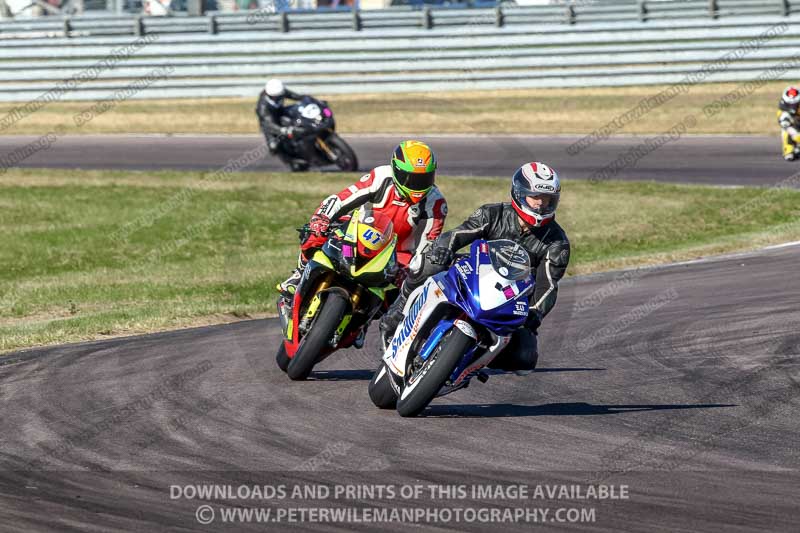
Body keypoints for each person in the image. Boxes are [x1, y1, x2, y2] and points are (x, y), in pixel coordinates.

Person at [379, 161, 570, 374]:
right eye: (536, 198)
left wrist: (535, 313)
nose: (541, 205)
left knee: (524, 358)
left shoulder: (557, 243)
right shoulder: (493, 213)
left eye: (548, 200)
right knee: (430, 261)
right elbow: (458, 234)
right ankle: (396, 315)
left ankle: (468, 365)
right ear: (519, 193)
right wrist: (444, 248)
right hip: (475, 273)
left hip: (510, 297)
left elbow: (549, 285)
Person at [277, 140, 448, 302]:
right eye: (411, 179)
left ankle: (390, 325)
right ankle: (299, 275)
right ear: (396, 170)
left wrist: (413, 272)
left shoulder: (436, 203)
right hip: (361, 233)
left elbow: (425, 247)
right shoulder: (382, 177)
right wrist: (322, 218)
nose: (417, 186)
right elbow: (342, 199)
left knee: (415, 287)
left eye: (424, 179)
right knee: (315, 232)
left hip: (397, 255)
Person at [255, 79, 305, 159]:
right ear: (269, 95)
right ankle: (290, 159)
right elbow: (269, 124)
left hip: (281, 112)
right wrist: (282, 130)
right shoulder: (263, 107)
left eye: (279, 96)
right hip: (269, 123)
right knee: (274, 146)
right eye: (275, 97)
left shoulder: (280, 91)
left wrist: (306, 98)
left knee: (298, 117)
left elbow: (294, 96)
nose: (278, 98)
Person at [778, 85, 800, 161]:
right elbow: (782, 122)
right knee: (786, 130)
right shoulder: (782, 110)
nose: (793, 106)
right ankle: (789, 150)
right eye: (790, 104)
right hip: (794, 126)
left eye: (795, 103)